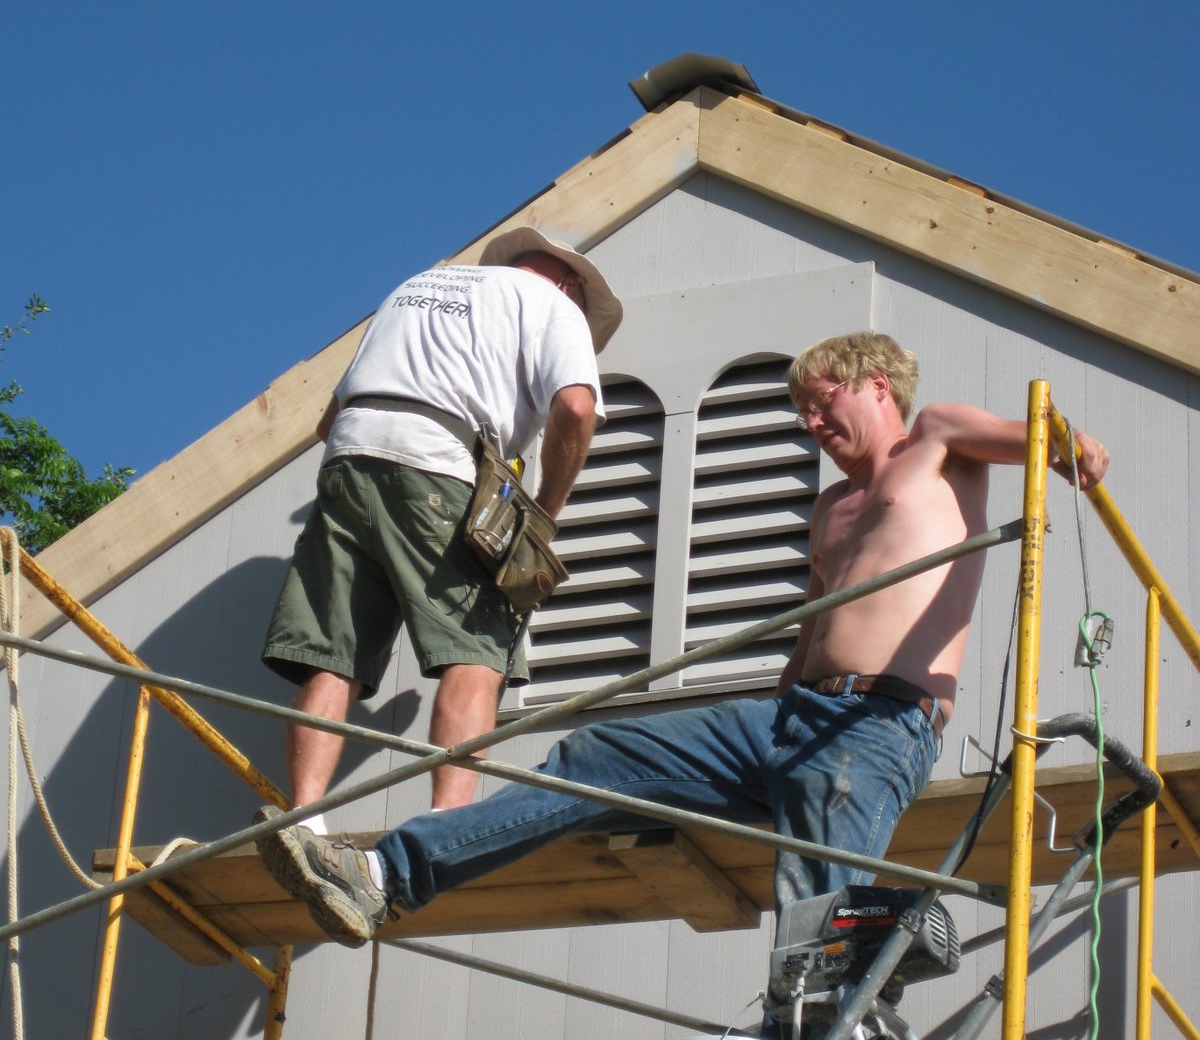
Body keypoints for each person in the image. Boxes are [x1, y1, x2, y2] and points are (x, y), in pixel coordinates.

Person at [256, 330, 1110, 947]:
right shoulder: (829, 509)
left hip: (876, 728)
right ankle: (387, 877)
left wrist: (1075, 446)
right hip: (789, 719)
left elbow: (1039, 437)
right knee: (596, 755)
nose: (813, 424)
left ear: (877, 384)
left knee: (815, 930)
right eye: (803, 412)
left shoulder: (937, 439)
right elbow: (812, 634)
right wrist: (775, 715)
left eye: (825, 403)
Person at [260, 225, 622, 817]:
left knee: (334, 655)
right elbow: (576, 408)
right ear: (568, 282)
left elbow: (327, 425)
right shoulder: (555, 304)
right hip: (441, 465)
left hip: (349, 458)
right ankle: (444, 823)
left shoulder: (415, 287)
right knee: (476, 648)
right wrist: (544, 513)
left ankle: (305, 817)